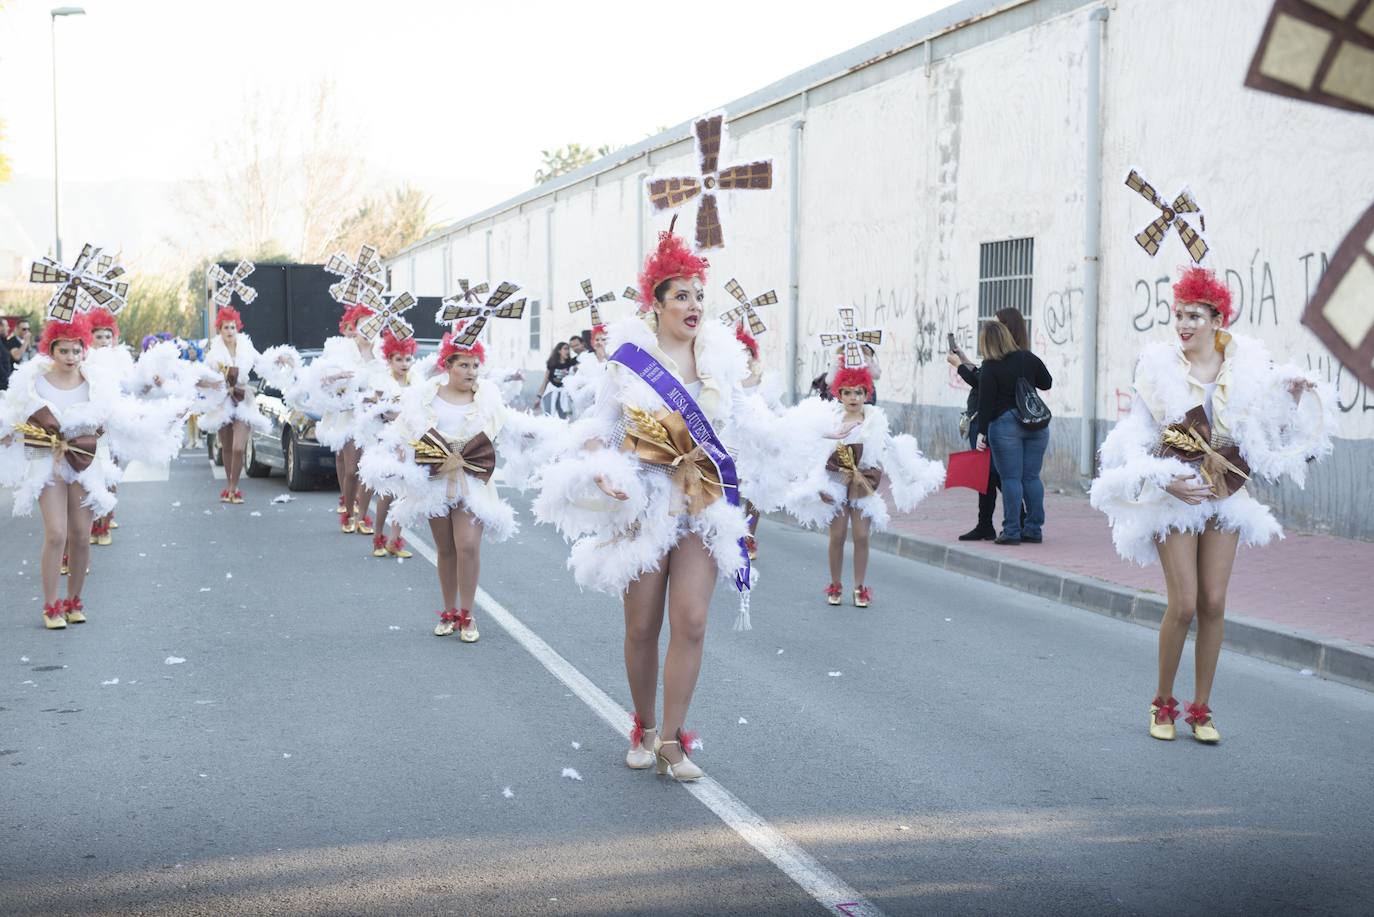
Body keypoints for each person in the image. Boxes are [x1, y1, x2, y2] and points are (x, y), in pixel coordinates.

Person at [534, 222, 827, 780]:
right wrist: (602, 471)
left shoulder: (722, 360)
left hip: (701, 501)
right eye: (682, 296)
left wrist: (816, 428)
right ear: (658, 302)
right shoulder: (628, 360)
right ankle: (642, 725)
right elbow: (599, 426)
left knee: (690, 620)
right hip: (644, 500)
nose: (694, 305)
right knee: (642, 626)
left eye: (699, 295)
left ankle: (673, 740)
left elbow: (751, 422)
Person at [1090, 267, 1332, 744]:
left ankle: (1201, 709)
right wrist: (1166, 482)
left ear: (1218, 319)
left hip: (1224, 496)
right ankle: (1163, 702)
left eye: (1194, 316)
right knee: (1183, 604)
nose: (1182, 324)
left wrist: (1294, 400)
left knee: (1214, 602)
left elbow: (1268, 437)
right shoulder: (1157, 369)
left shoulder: (1244, 369)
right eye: (1178, 314)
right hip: (1175, 494)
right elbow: (1138, 438)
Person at [0, 314, 182, 628]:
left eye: (76, 350)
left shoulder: (97, 383)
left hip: (84, 463)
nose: (70, 357)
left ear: (84, 350)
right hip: (47, 464)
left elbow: (119, 417)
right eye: (63, 351)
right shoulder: (35, 382)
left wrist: (161, 419)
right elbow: (15, 415)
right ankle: (51, 605)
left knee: (82, 536)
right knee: (57, 534)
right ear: (51, 350)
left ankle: (73, 601)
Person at [384, 326, 520, 642]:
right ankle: (448, 611)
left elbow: (505, 427)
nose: (471, 371)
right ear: (448, 366)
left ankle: (467, 614)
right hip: (435, 483)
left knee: (468, 545)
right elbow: (406, 429)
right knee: (446, 549)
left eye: (475, 365)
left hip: (472, 482)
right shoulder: (427, 396)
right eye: (464, 365)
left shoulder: (488, 398)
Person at [789, 362, 944, 607]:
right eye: (848, 392)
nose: (853, 397)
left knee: (861, 535)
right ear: (839, 394)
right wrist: (818, 485)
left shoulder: (874, 420)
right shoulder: (831, 419)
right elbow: (816, 453)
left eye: (859, 392)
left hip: (863, 481)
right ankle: (835, 584)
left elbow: (891, 449)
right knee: (837, 535)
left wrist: (913, 473)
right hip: (836, 481)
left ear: (867, 394)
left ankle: (860, 587)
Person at [295, 305, 381, 533]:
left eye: (371, 323)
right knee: (352, 470)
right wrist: (337, 377)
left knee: (370, 470)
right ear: (354, 326)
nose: (367, 329)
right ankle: (348, 509)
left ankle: (362, 516)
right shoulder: (342, 351)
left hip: (375, 419)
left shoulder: (382, 353)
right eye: (362, 324)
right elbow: (319, 379)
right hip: (348, 417)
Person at [949, 308, 1031, 541]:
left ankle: (1019, 519)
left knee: (996, 474)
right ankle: (986, 523)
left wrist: (959, 366)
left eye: (997, 325)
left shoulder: (1008, 358)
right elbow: (983, 375)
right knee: (985, 474)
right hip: (988, 420)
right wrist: (964, 360)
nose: (992, 329)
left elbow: (981, 381)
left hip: (991, 421)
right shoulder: (1009, 357)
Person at [974, 320, 1052, 545]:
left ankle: (1011, 531)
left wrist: (981, 432)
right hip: (1036, 424)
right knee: (1031, 477)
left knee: (1010, 478)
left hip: (1005, 424)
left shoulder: (990, 365)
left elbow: (985, 403)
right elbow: (1047, 383)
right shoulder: (1028, 357)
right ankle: (1034, 529)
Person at [200, 306, 272, 504]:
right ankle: (229, 487)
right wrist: (212, 383)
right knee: (227, 446)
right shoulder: (214, 353)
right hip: (223, 400)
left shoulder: (247, 347)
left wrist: (281, 358)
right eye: (226, 328)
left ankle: (234, 486)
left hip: (242, 398)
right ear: (220, 330)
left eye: (233, 327)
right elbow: (200, 377)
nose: (230, 331)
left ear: (237, 328)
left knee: (239, 447)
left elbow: (263, 362)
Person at [532, 341, 576, 418]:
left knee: (565, 418)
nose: (567, 351)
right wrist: (539, 397)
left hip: (563, 393)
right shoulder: (552, 364)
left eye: (568, 349)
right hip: (551, 391)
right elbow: (545, 381)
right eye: (565, 349)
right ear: (559, 351)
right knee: (549, 416)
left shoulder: (570, 363)